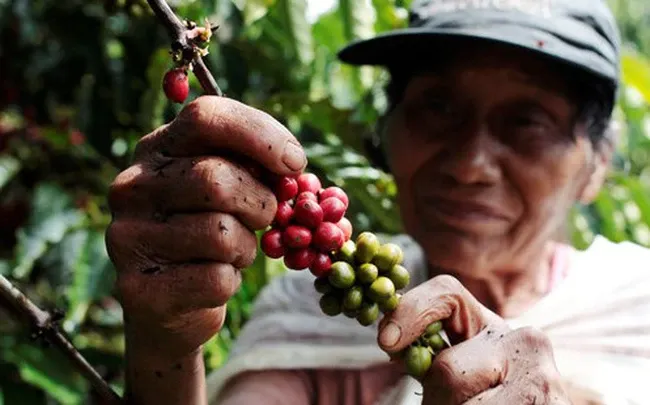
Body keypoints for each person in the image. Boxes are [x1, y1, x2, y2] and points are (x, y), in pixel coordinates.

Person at [105, 0, 650, 404]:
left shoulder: (639, 311)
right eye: (437, 107)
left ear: (596, 163)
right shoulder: (306, 316)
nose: (469, 164)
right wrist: (164, 344)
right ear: (387, 132)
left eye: (527, 123)